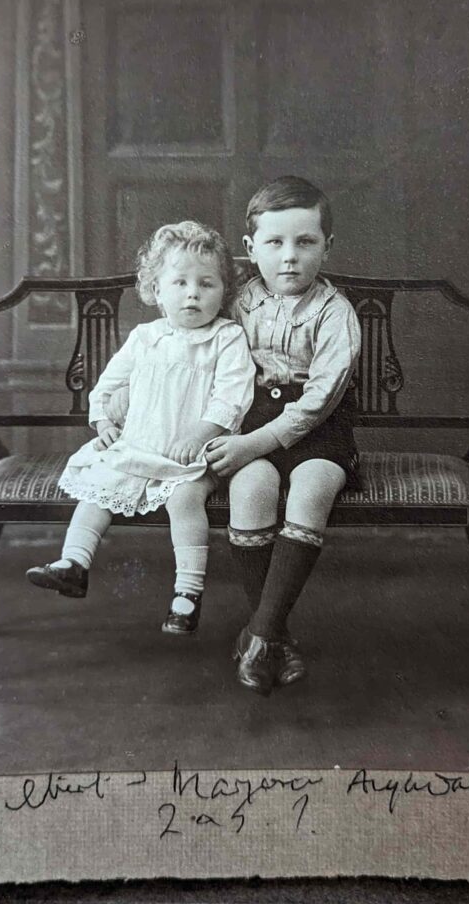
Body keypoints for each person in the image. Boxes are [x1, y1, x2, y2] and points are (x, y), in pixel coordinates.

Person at [26, 221, 255, 635]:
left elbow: (232, 396)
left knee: (185, 500)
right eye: (180, 282)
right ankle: (74, 563)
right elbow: (107, 385)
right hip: (140, 446)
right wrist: (103, 421)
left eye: (206, 284)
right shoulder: (145, 337)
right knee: (99, 488)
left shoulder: (227, 338)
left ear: (223, 292)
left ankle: (187, 594)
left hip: (194, 455)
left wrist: (200, 434)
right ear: (156, 290)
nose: (192, 293)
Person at [205, 177, 362, 695]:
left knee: (313, 486)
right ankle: (274, 635)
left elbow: (320, 400)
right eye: (275, 242)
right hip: (249, 422)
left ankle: (258, 635)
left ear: (327, 246)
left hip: (319, 430)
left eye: (305, 241)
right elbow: (200, 354)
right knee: (251, 488)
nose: (289, 256)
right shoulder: (237, 302)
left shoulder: (335, 313)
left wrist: (253, 444)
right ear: (250, 249)